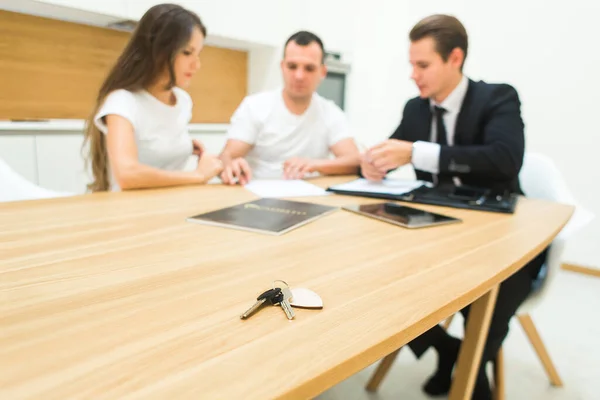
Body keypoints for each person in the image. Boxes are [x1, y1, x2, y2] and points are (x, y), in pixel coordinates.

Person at [362, 14, 547, 399]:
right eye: (411, 64)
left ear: (455, 58)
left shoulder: (498, 97)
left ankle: (470, 372)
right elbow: (391, 151)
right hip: (438, 230)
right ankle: (454, 354)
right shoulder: (416, 108)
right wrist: (374, 160)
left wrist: (417, 152)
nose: (414, 74)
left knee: (491, 295)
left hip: (502, 236)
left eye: (423, 65)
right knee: (379, 279)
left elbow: (504, 159)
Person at [83, 3, 223, 192]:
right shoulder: (122, 102)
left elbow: (154, 141)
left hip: (168, 207)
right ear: (159, 50)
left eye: (198, 54)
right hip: (128, 212)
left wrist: (187, 147)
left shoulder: (182, 101)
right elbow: (127, 174)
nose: (196, 65)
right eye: (187, 53)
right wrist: (197, 175)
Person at [218, 31, 360, 185]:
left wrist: (314, 164)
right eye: (292, 66)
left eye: (309, 68)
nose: (299, 76)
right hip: (257, 197)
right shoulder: (254, 106)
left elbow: (354, 162)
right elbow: (227, 156)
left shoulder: (331, 113)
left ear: (323, 72)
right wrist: (229, 165)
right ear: (282, 66)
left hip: (312, 198)